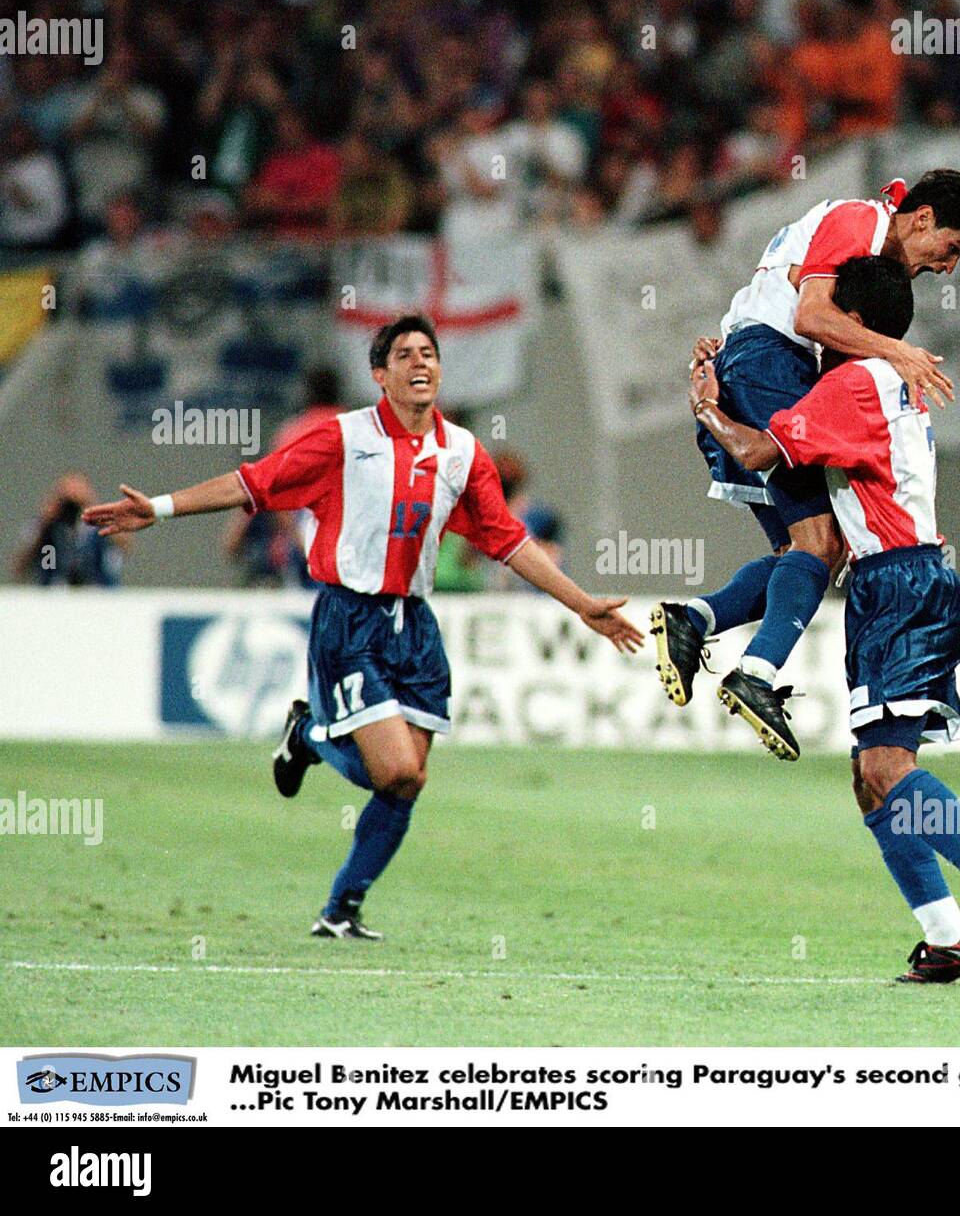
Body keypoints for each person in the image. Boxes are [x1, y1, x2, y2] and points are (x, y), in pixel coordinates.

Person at [86, 314, 643, 940]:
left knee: (409, 783)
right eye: (403, 354)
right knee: (397, 770)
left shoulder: (461, 452)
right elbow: (253, 485)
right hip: (350, 619)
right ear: (380, 375)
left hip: (415, 627)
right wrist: (159, 508)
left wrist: (581, 603)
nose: (420, 363)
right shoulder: (341, 439)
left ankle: (341, 908)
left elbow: (508, 540)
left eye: (428, 352)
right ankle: (313, 736)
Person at [687, 254, 960, 982]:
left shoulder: (854, 383)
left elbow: (759, 451)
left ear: (850, 321)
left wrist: (706, 404)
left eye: (820, 314)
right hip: (906, 581)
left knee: (887, 767)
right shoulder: (885, 380)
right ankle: (945, 935)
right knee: (870, 776)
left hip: (899, 585)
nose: (808, 326)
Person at [652, 169, 960, 760]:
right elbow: (809, 318)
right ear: (922, 219)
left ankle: (697, 620)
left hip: (759, 362)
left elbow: (782, 297)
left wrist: (722, 363)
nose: (948, 267)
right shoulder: (859, 221)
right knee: (818, 544)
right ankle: (755, 674)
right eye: (953, 248)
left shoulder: (853, 243)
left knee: (811, 551)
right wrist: (899, 351)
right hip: (771, 364)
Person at [12, 473, 128, 587]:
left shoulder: (96, 527)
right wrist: (45, 522)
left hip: (97, 592)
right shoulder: (46, 527)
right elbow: (20, 566)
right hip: (54, 591)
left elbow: (125, 546)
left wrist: (96, 512)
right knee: (48, 550)